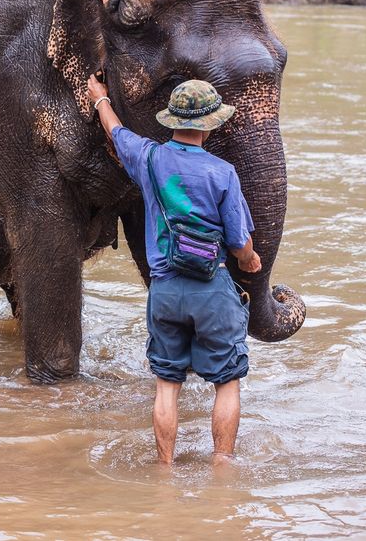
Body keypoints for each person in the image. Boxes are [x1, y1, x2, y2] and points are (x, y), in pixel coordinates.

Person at [87, 74, 262, 466]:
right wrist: (250, 260)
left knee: (166, 386)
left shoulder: (148, 158)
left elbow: (117, 133)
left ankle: (165, 468)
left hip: (164, 290)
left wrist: (100, 98)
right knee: (227, 382)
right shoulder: (222, 173)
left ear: (172, 121)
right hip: (210, 289)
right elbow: (239, 244)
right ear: (211, 123)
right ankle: (221, 465)